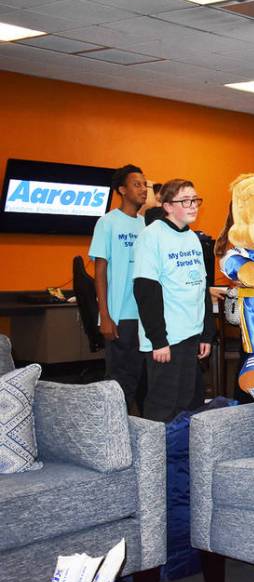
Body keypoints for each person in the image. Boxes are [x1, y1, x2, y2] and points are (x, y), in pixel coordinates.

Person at [133, 179, 213, 422]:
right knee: (163, 406)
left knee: (190, 403)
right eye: (185, 201)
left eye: (195, 200)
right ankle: (154, 459)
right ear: (168, 206)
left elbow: (202, 287)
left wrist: (206, 334)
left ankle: (182, 458)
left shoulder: (192, 238)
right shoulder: (151, 236)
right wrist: (159, 340)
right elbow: (145, 290)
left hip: (191, 336)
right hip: (167, 339)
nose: (193, 206)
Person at [90, 164, 147, 413]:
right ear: (122, 190)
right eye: (137, 184)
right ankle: (111, 436)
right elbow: (100, 270)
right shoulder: (107, 223)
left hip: (145, 316)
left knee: (143, 379)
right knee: (119, 382)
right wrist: (105, 315)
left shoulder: (147, 226)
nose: (143, 189)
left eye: (145, 184)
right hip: (119, 315)